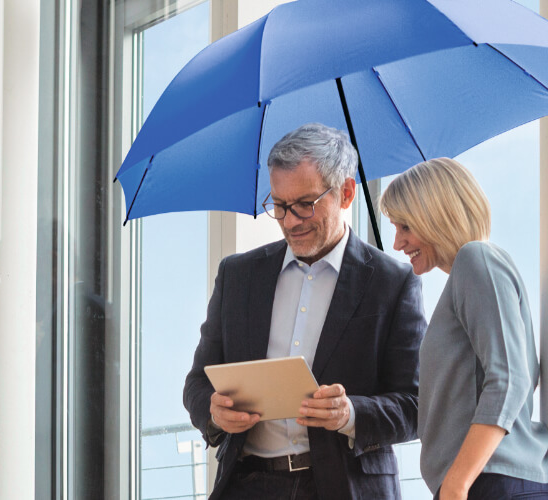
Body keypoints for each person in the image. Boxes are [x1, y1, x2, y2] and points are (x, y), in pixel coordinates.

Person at [183, 123, 426, 499]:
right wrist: (213, 413)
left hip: (345, 488)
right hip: (247, 484)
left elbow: (416, 405)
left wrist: (351, 413)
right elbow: (198, 383)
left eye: (304, 205)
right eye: (279, 205)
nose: (290, 221)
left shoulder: (392, 284)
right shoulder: (237, 275)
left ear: (346, 193)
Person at [380, 158, 548, 500]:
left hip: (489, 482)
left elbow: (510, 379)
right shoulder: (464, 277)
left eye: (405, 227)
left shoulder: (477, 260)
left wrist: (457, 484)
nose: (397, 243)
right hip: (479, 482)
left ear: (436, 216)